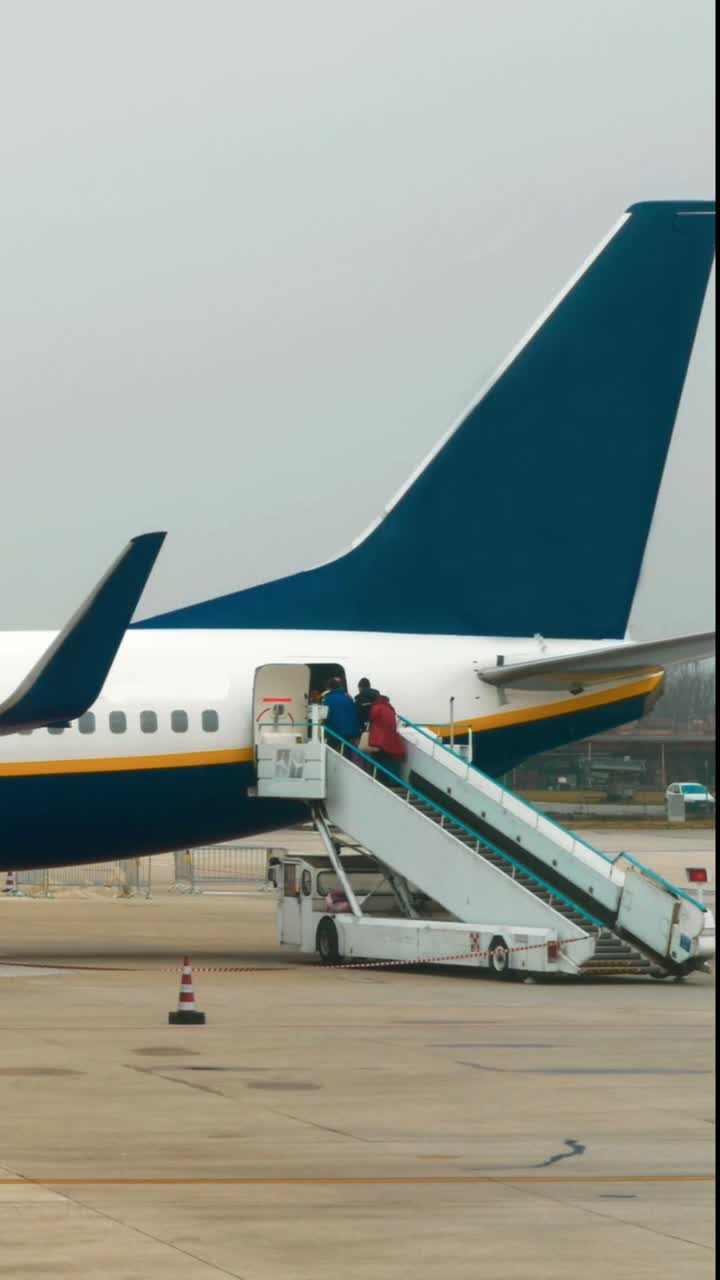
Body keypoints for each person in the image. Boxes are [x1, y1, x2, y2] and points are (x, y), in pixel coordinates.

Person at [367, 693, 406, 777]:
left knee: (378, 758)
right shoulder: (390, 710)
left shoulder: (377, 707)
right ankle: (388, 778)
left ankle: (376, 776)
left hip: (380, 738)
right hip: (390, 738)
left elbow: (371, 717)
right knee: (387, 758)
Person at [322, 676, 361, 748]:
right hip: (350, 733)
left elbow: (325, 716)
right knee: (346, 753)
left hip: (335, 733)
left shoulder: (328, 699)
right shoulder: (349, 699)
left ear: (329, 688)